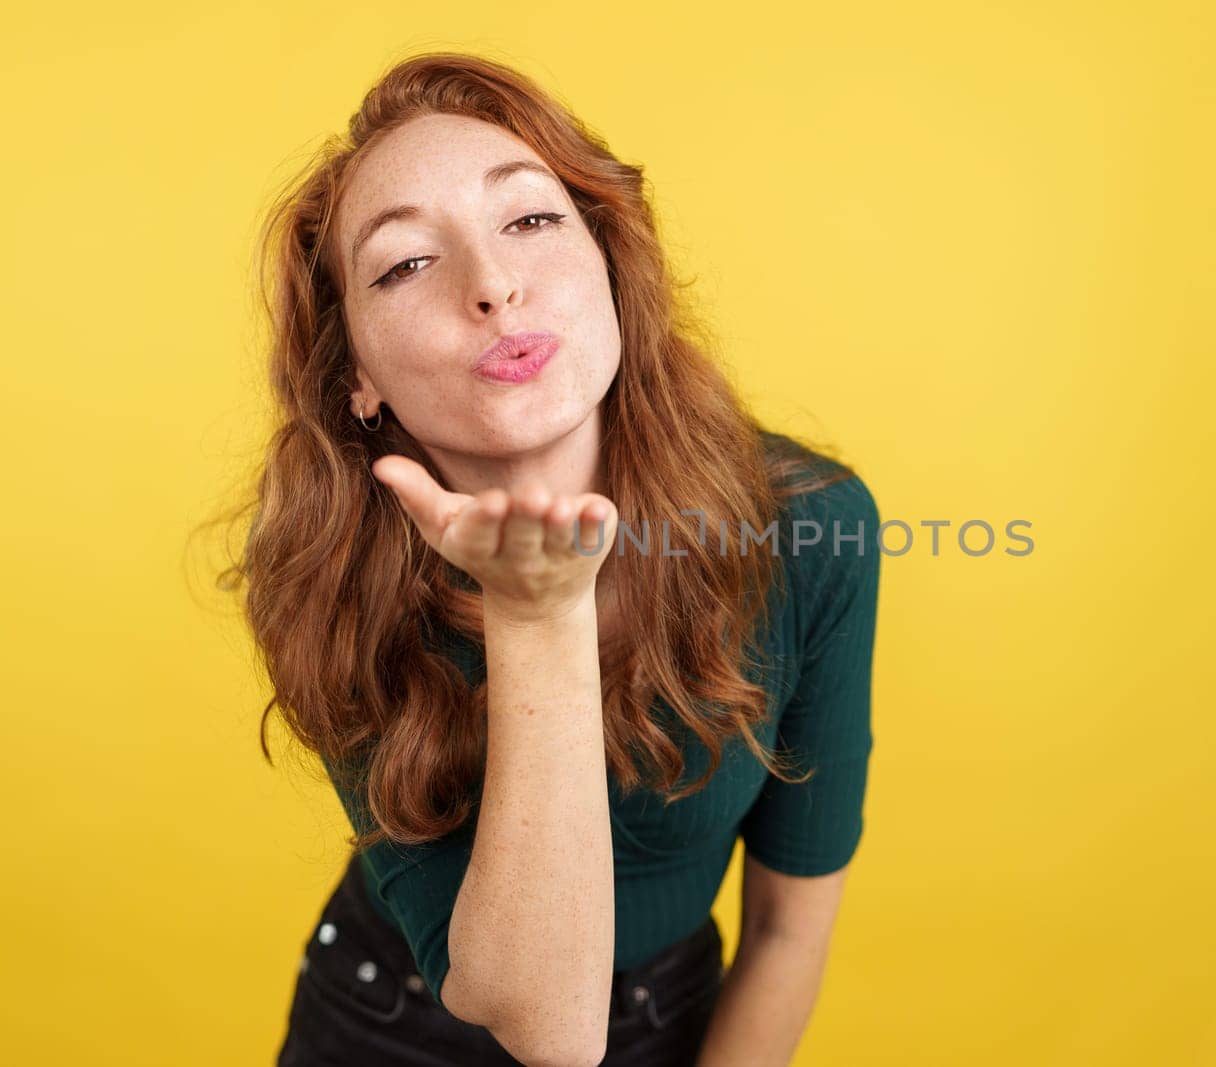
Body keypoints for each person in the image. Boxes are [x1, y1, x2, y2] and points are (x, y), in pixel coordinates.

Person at [215, 52, 882, 1066]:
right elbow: (545, 1027)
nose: (493, 287)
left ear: (611, 258)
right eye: (404, 263)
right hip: (391, 1027)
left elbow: (791, 926)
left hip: (677, 1018)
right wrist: (536, 610)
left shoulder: (809, 526)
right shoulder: (327, 570)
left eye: (529, 220)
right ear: (357, 372)